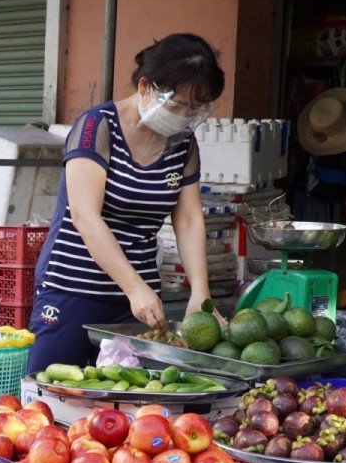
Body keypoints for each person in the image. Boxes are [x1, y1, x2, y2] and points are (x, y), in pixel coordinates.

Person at [27, 34, 224, 373]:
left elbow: (189, 220)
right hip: (74, 288)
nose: (186, 116)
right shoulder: (97, 126)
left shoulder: (183, 144)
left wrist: (200, 295)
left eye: (196, 108)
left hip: (139, 301)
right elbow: (85, 217)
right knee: (51, 394)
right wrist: (134, 287)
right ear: (146, 85)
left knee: (129, 404)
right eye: (178, 105)